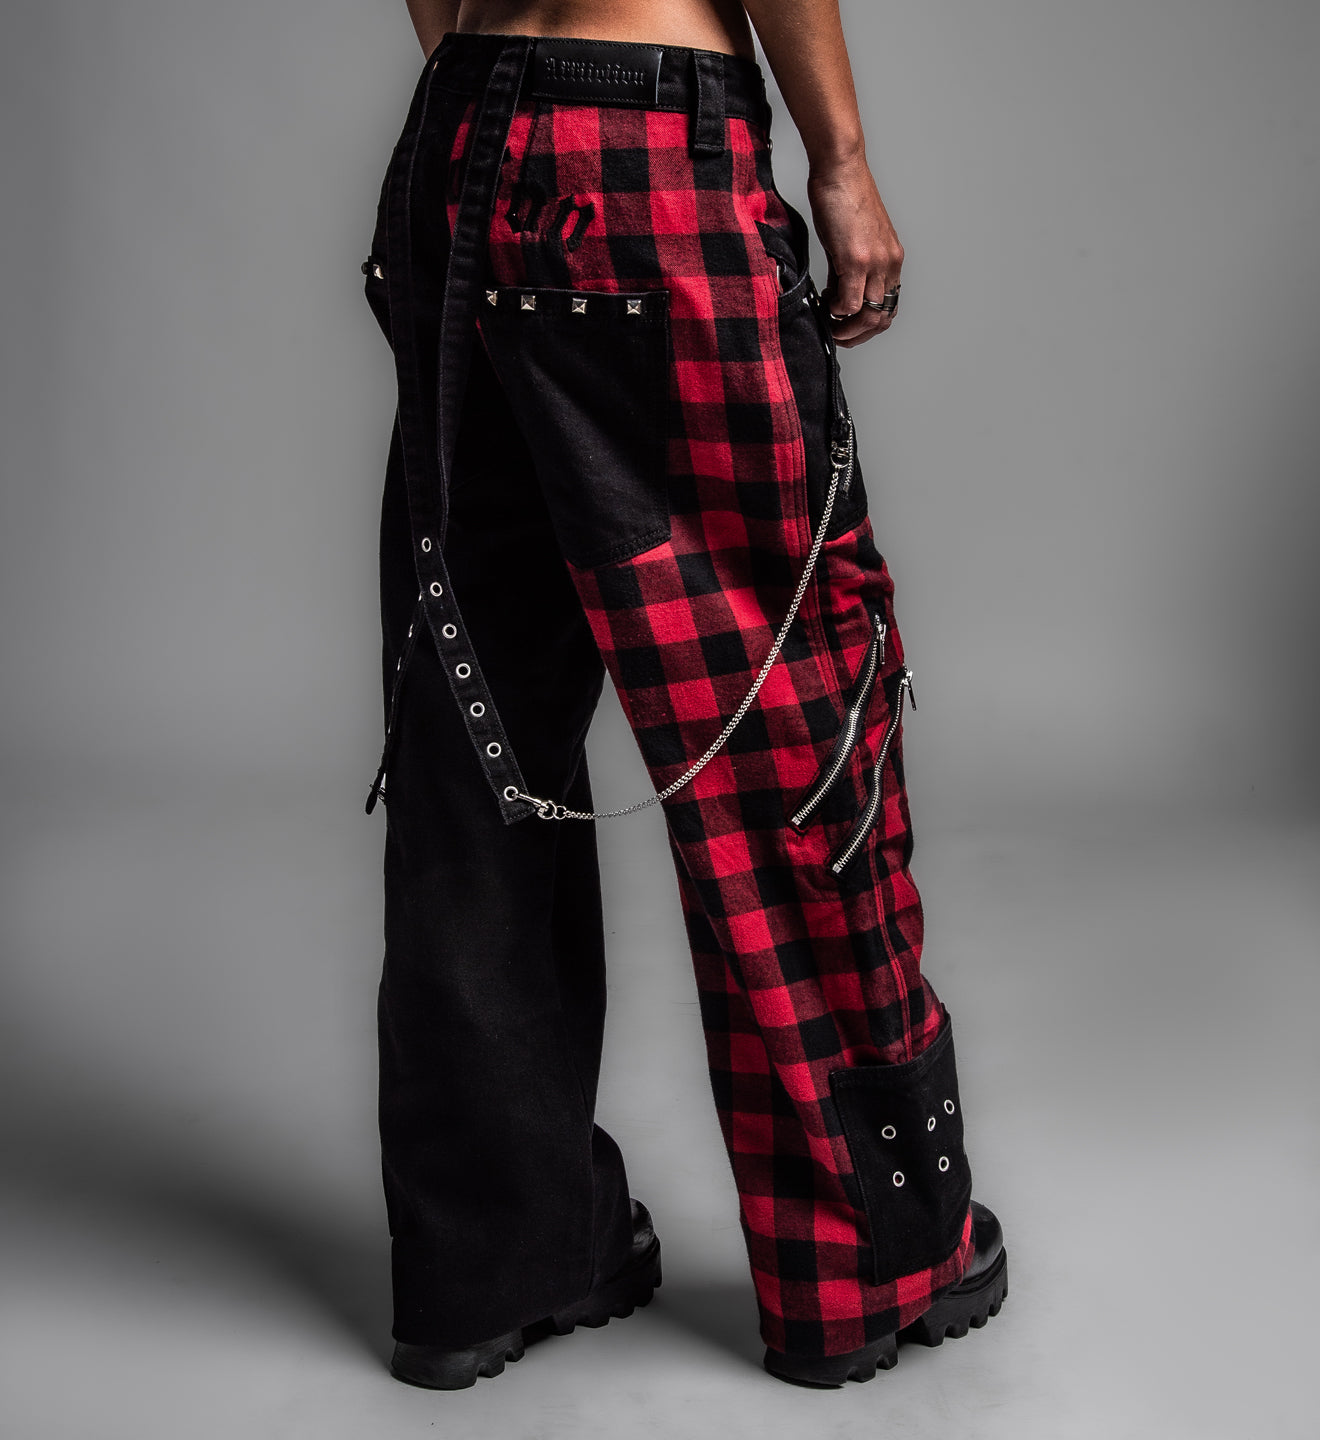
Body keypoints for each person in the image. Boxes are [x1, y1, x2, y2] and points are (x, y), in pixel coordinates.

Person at [360, 0, 1007, 1391]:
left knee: (473, 738)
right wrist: (841, 164)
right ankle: (864, 1263)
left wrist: (509, 99)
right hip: (647, 142)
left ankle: (491, 1266)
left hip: (461, 133)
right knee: (784, 709)